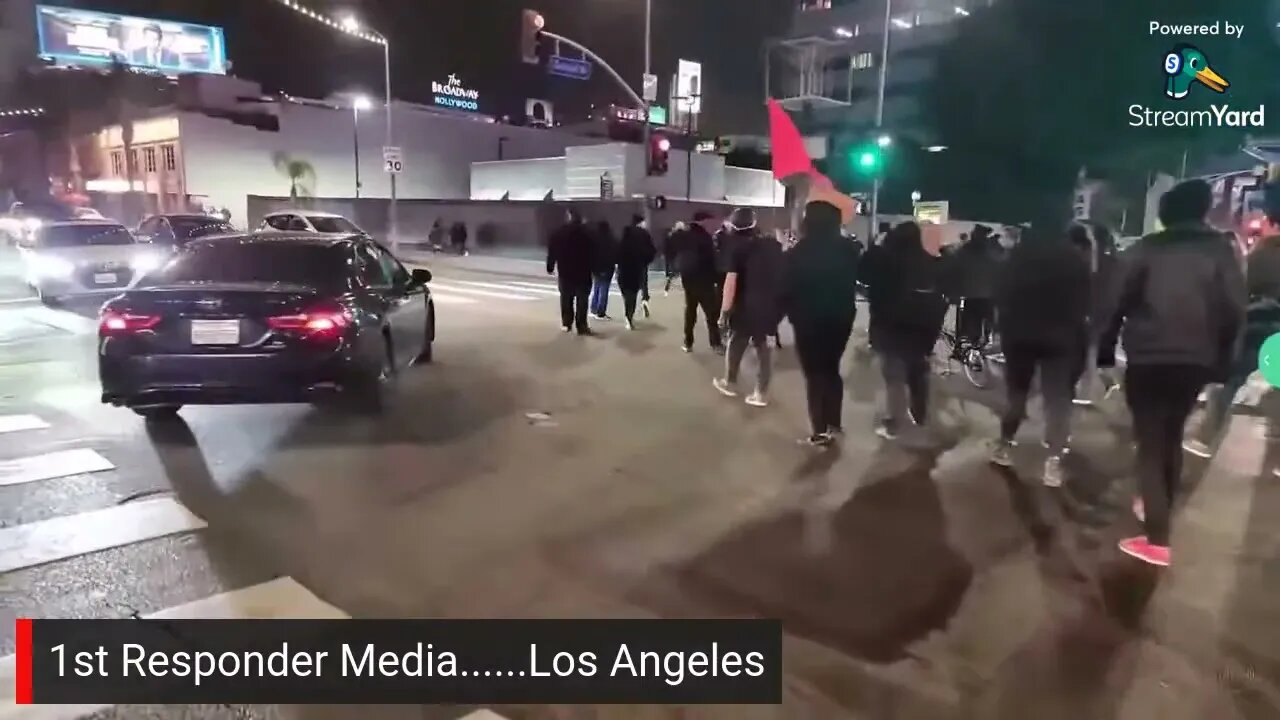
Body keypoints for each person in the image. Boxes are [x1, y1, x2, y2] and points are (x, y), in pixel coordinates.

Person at [1099, 179, 1246, 567]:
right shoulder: (1221, 252)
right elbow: (1233, 310)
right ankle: (1156, 507)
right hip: (1196, 360)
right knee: (1172, 434)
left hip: (1148, 357)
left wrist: (1103, 349)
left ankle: (1157, 539)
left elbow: (1115, 303)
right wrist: (1223, 362)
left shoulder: (1146, 250)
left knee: (1149, 441)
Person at [988, 224, 1092, 486]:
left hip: (1020, 336)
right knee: (1057, 401)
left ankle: (1004, 445)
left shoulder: (1017, 259)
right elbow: (1086, 301)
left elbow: (1000, 296)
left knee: (1017, 394)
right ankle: (1054, 462)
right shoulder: (1075, 260)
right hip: (1061, 337)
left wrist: (1003, 329)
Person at [1185, 206, 1280, 456]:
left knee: (1234, 379)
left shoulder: (1262, 254)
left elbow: (1244, 288)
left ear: (1274, 224)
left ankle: (1208, 437)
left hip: (1260, 321)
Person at [785, 199, 861, 446]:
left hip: (808, 319)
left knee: (815, 373)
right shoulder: (849, 248)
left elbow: (786, 287)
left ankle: (819, 431)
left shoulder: (799, 251)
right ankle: (834, 422)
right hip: (841, 317)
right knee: (831, 368)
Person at [862, 221, 948, 439]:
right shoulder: (929, 262)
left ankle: (894, 423)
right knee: (918, 371)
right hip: (922, 328)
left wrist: (876, 246)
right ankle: (919, 414)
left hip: (891, 327)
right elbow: (940, 298)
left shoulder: (885, 261)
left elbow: (863, 275)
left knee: (894, 378)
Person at [714, 208, 784, 407]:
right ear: (754, 223)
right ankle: (760, 394)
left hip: (744, 308)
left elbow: (730, 283)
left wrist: (723, 313)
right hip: (770, 310)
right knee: (765, 351)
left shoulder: (737, 249)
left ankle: (730, 382)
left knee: (736, 344)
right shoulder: (774, 246)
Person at [673, 211, 724, 353]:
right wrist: (717, 279)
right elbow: (711, 261)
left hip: (688, 279)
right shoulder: (704, 237)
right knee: (711, 313)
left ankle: (687, 342)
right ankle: (715, 344)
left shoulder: (683, 235)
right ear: (702, 221)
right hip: (704, 280)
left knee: (690, 310)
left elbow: (673, 251)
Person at [546, 209, 596, 335]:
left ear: (568, 217)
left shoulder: (558, 233)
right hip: (583, 271)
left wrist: (550, 266)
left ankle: (566, 323)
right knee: (582, 300)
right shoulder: (588, 233)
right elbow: (595, 252)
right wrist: (596, 268)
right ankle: (582, 325)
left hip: (565, 271)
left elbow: (552, 251)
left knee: (566, 298)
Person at [617, 215, 657, 330]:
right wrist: (645, 261)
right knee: (634, 292)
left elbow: (618, 250)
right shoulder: (644, 235)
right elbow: (652, 251)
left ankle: (627, 313)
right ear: (640, 223)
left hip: (624, 268)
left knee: (626, 292)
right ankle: (633, 311)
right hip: (638, 267)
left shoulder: (625, 234)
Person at [588, 220, 618, 320]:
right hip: (607, 267)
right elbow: (615, 253)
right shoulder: (611, 239)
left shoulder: (594, 239)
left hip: (596, 267)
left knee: (596, 287)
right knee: (604, 289)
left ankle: (593, 308)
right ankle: (601, 312)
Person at [663, 222, 684, 295]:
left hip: (673, 256)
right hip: (680, 256)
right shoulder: (684, 235)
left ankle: (666, 289)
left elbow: (669, 246)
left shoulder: (672, 235)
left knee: (673, 273)